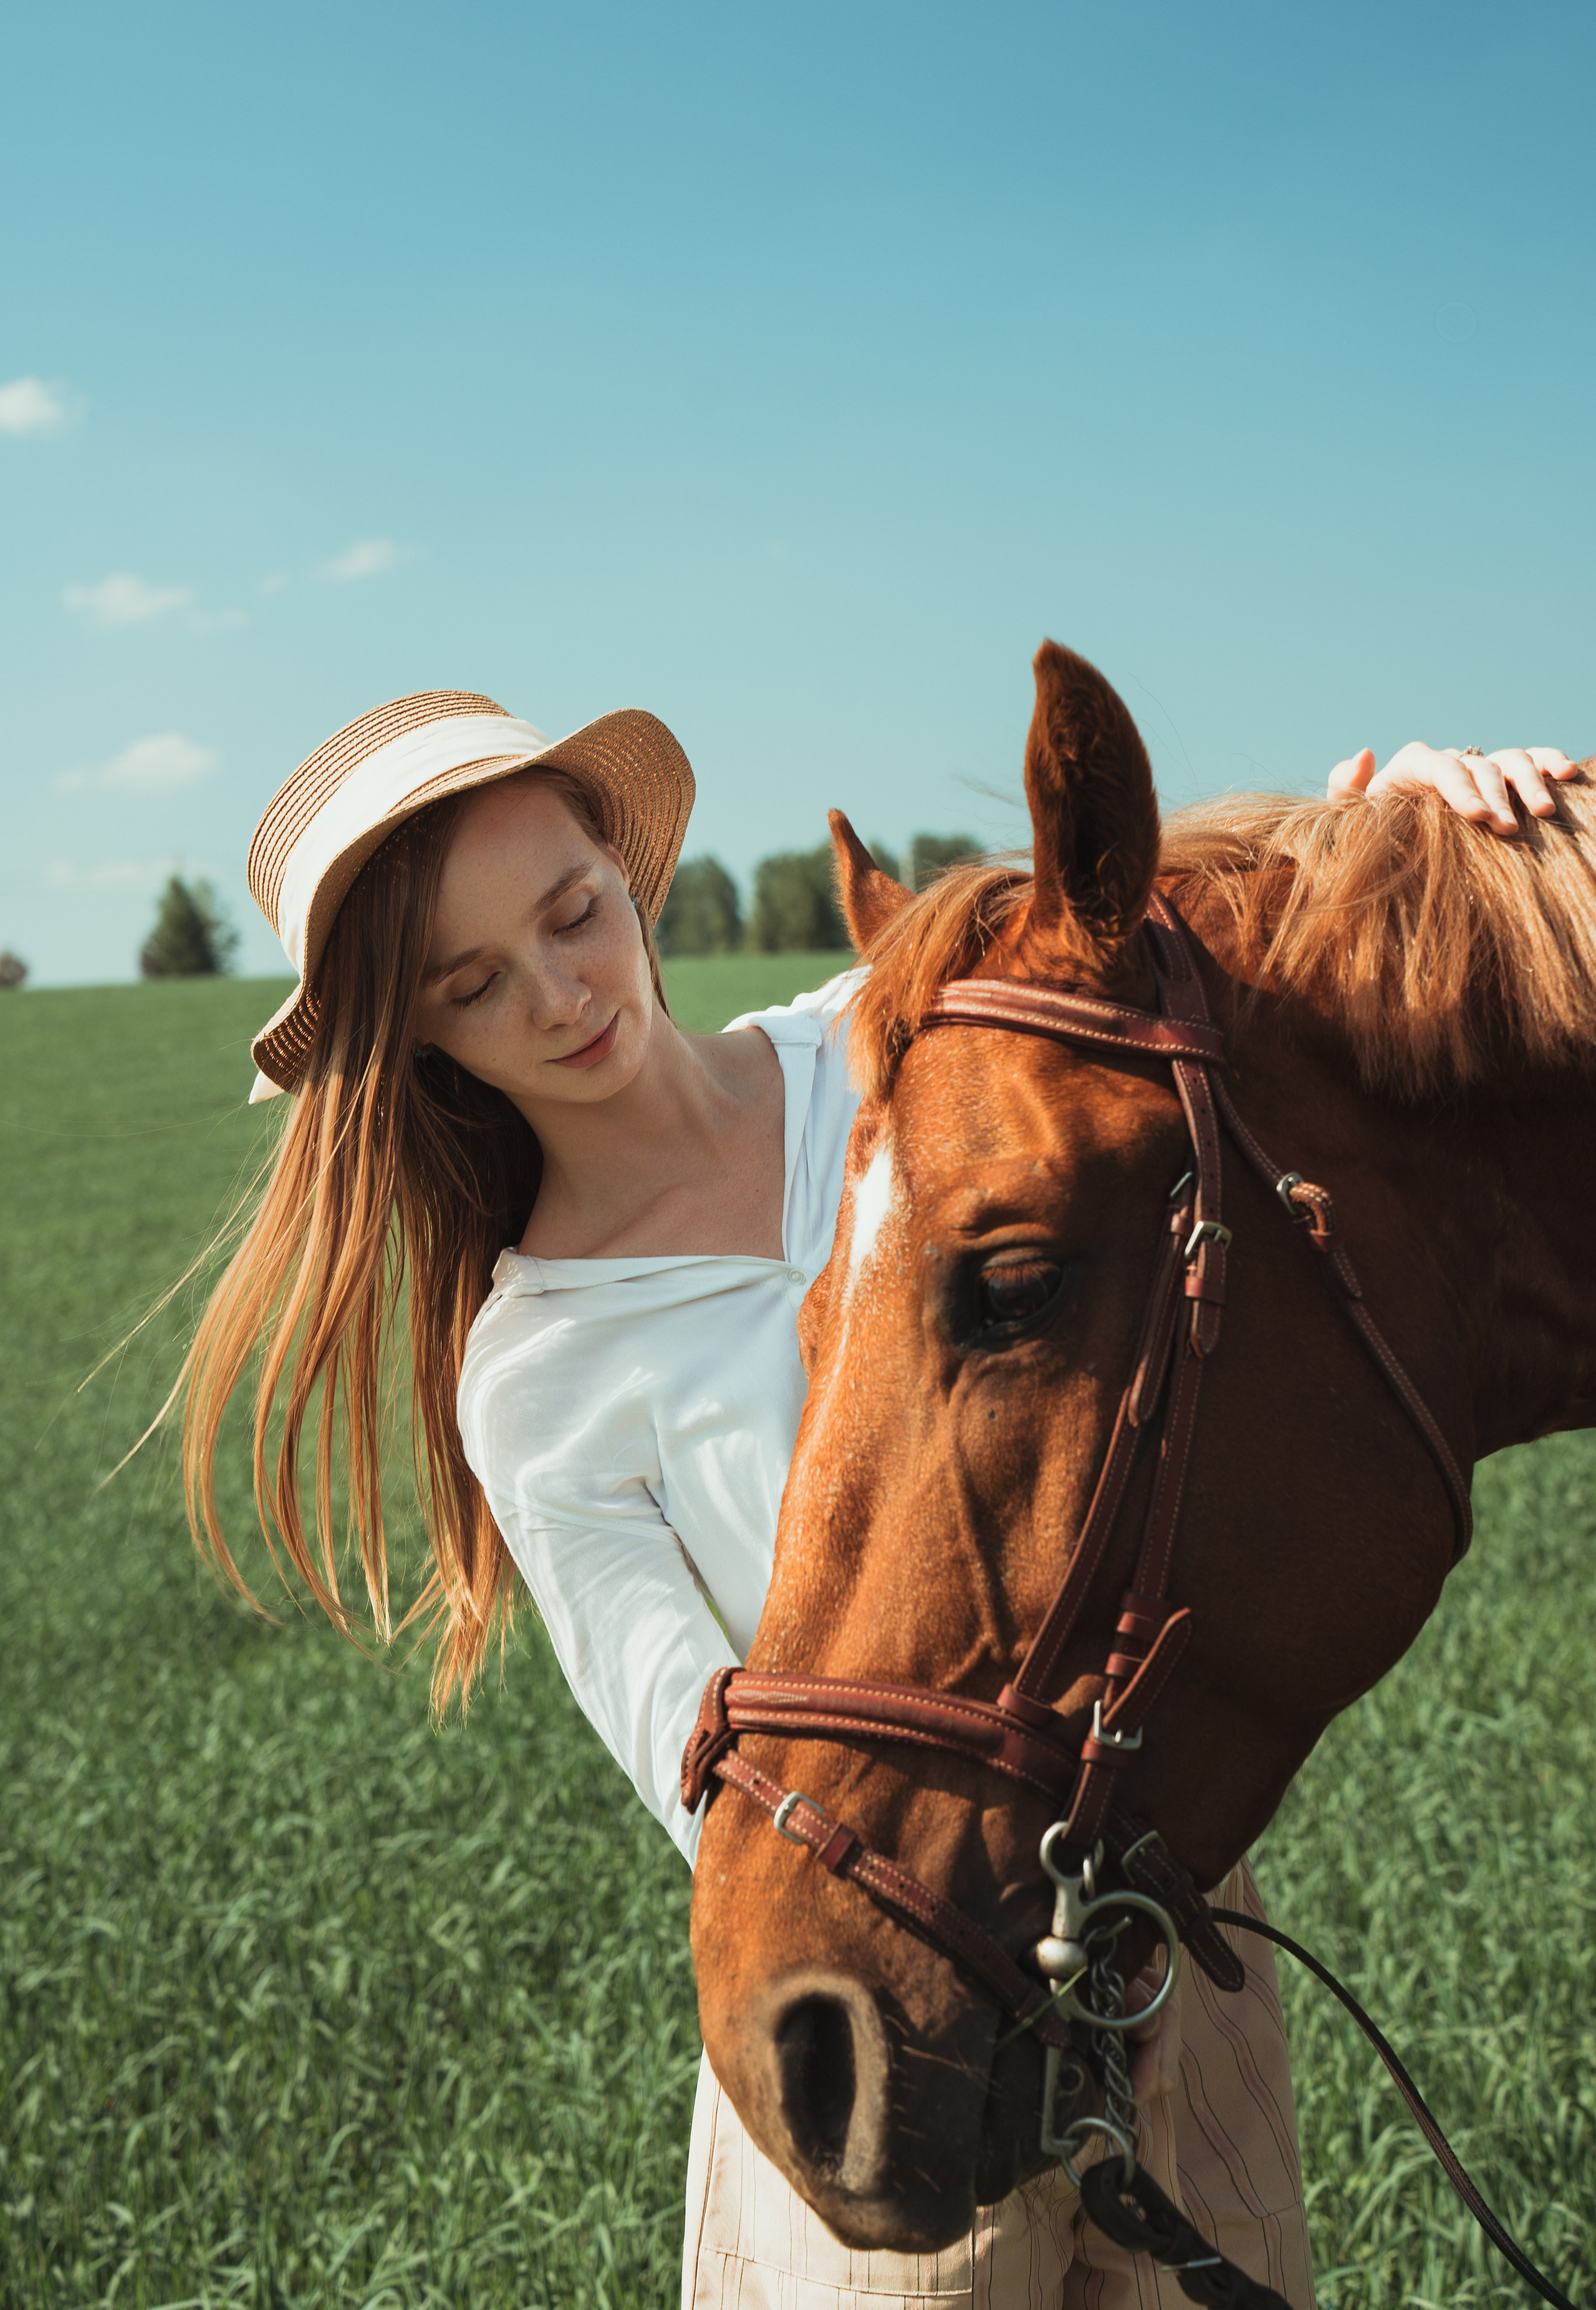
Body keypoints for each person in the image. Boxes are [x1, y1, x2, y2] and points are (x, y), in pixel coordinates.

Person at [181, 685, 1574, 2310]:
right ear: (415, 1035)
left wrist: (1402, 817)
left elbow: (1215, 974)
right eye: (475, 984)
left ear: (632, 878)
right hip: (898, 1970)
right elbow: (688, 1748)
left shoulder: (901, 1049)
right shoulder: (538, 1370)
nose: (562, 993)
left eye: (573, 914)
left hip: (1148, 1896)